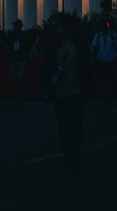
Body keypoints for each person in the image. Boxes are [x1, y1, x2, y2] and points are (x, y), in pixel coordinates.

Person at [42, 15, 93, 171]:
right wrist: (46, 89)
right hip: (59, 93)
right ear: (59, 29)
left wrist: (88, 90)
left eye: (68, 26)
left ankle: (75, 153)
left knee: (75, 126)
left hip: (76, 92)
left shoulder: (80, 47)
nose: (66, 29)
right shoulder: (52, 47)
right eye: (63, 26)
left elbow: (88, 69)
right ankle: (68, 154)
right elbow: (45, 69)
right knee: (63, 127)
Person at [91, 21, 117, 102]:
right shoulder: (98, 35)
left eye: (103, 26)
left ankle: (112, 94)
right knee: (102, 78)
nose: (102, 28)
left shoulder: (112, 34)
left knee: (111, 78)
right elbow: (94, 47)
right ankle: (104, 94)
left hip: (111, 59)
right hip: (101, 59)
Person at [6, 20, 28, 103]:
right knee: (15, 80)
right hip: (13, 60)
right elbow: (8, 46)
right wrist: (6, 57)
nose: (15, 27)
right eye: (14, 25)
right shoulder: (11, 36)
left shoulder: (24, 36)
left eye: (16, 25)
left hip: (22, 59)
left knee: (21, 77)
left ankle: (23, 94)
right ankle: (19, 97)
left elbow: (28, 46)